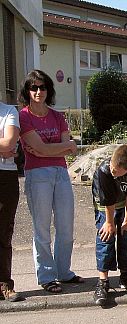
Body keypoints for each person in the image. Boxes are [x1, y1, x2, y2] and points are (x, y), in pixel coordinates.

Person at [19, 70, 81, 293]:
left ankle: (64, 272)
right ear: (27, 91)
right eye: (33, 87)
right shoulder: (23, 116)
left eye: (42, 87)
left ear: (48, 90)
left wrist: (46, 149)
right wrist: (60, 147)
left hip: (60, 173)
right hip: (38, 175)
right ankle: (46, 275)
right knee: (42, 228)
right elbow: (61, 147)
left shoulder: (57, 116)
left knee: (66, 225)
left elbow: (61, 148)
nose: (38, 91)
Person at [92, 144, 127, 306]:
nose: (113, 170)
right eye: (113, 167)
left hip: (124, 202)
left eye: (117, 170)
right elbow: (107, 201)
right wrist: (109, 223)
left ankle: (126, 276)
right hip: (105, 205)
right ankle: (103, 281)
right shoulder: (104, 171)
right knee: (106, 237)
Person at [0, 100, 24, 301]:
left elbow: (9, 143)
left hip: (5, 177)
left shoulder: (9, 111)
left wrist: (6, 146)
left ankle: (4, 283)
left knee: (4, 232)